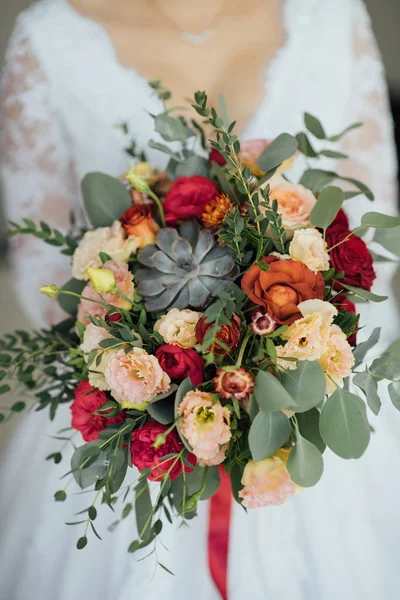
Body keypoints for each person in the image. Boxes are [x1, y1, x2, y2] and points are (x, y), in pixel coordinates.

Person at [0, 0, 399, 599]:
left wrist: (280, 361)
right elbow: (42, 268)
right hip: (136, 416)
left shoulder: (333, 17)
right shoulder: (52, 36)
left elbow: (370, 245)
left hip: (318, 399)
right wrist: (159, 364)